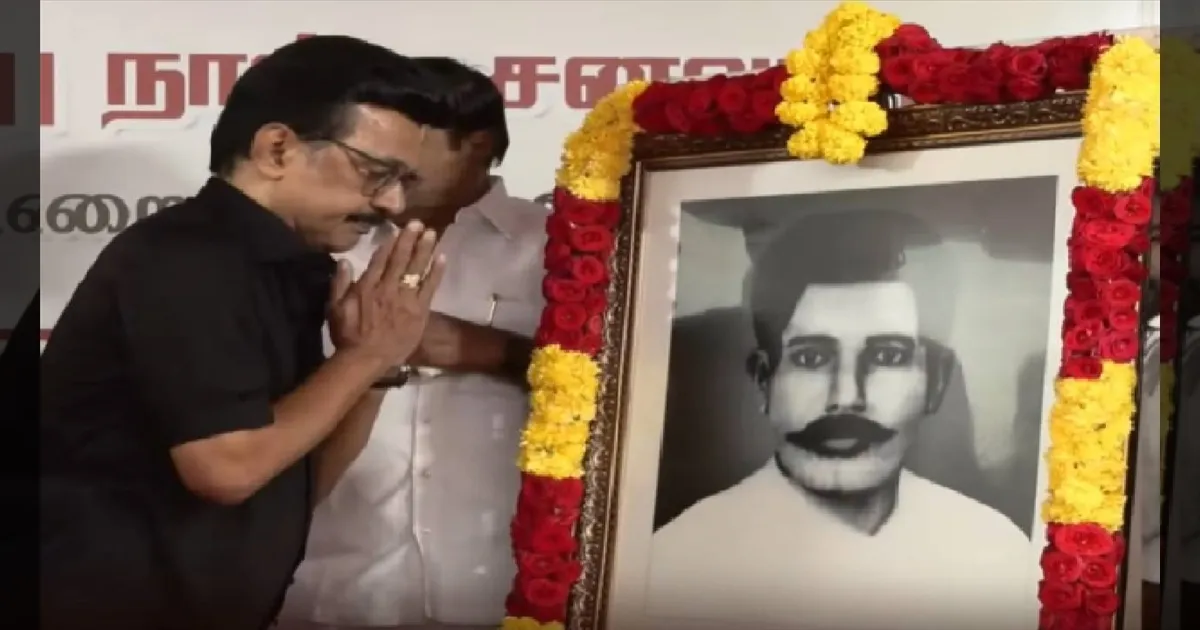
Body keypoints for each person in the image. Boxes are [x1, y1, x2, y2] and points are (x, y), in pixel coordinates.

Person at [38, 35, 468, 630]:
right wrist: (364, 356)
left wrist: (375, 366)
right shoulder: (186, 259)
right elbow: (227, 470)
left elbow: (294, 486)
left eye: (404, 181)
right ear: (276, 148)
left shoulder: (296, 267)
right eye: (376, 173)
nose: (393, 203)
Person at [646, 209, 1034, 630]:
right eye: (811, 358)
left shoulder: (997, 552)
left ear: (936, 384)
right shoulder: (676, 563)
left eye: (887, 356)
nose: (847, 397)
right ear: (763, 381)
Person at [278, 58, 547, 630]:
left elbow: (626, 390)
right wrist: (366, 355)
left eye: (410, 138)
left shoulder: (557, 245)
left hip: (503, 586)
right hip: (336, 588)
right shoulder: (324, 242)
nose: (384, 156)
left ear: (476, 145)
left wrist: (491, 351)